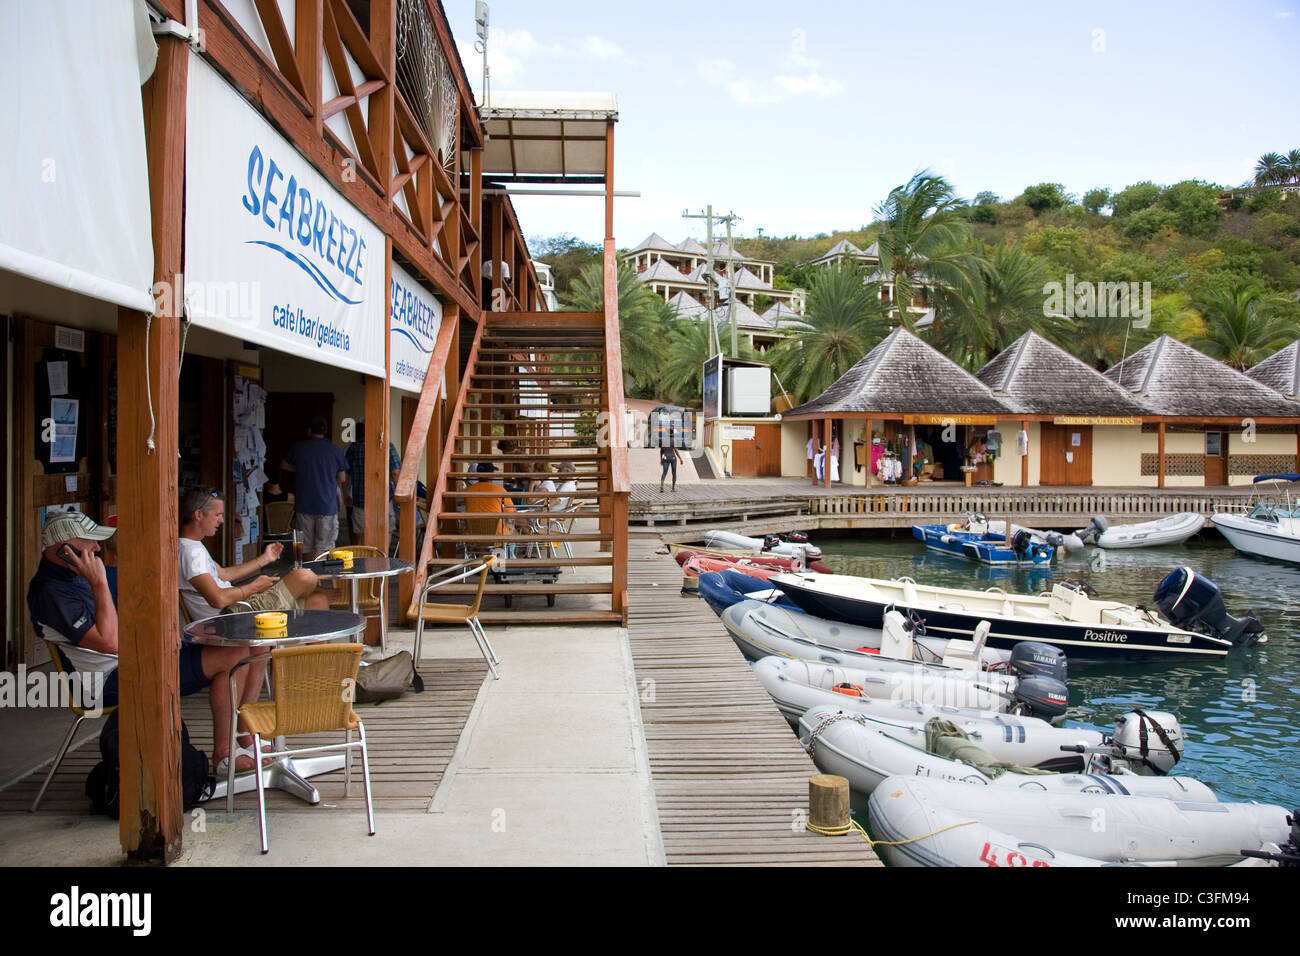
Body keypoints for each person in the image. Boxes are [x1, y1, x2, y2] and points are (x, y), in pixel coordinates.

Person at [27, 511, 270, 775]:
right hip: (106, 679)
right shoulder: (51, 591)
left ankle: (244, 735)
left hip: (138, 659)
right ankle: (224, 756)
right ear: (64, 549)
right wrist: (98, 583)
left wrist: (165, 629)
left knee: (255, 645)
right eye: (90, 542)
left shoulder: (77, 572)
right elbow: (108, 642)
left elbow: (148, 583)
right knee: (233, 655)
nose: (97, 548)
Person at [178, 485, 330, 622]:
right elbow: (218, 599)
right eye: (217, 515)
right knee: (304, 577)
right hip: (230, 615)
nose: (222, 520)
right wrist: (254, 587)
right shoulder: (192, 553)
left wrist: (264, 559)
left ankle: (310, 652)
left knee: (318, 600)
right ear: (198, 515)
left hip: (237, 607)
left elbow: (223, 574)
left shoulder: (192, 546)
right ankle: (331, 595)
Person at [281, 416, 348, 554]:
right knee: (324, 547)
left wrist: (300, 468)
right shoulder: (335, 450)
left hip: (304, 504)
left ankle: (307, 574)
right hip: (327, 505)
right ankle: (320, 575)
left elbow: (284, 465)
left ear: (309, 430)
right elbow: (342, 478)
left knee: (304, 548)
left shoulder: (299, 448)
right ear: (325, 431)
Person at [344, 419, 400, 543]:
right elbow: (395, 472)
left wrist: (346, 494)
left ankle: (365, 562)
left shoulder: (353, 448)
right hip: (383, 500)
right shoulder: (387, 446)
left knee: (362, 538)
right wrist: (398, 494)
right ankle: (382, 561)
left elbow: (346, 475)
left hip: (360, 501)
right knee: (384, 534)